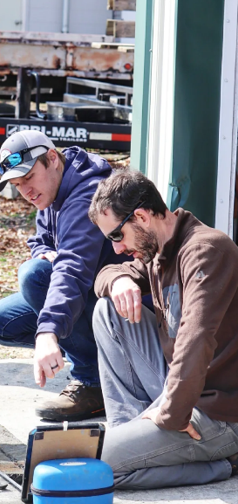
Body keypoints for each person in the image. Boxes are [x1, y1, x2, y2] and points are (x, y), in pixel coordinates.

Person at [88, 168, 238, 489]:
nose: (117, 248)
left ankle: (221, 464)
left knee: (99, 465)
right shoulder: (156, 251)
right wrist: (119, 280)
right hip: (181, 391)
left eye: (117, 236)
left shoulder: (205, 250)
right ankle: (128, 432)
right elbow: (103, 276)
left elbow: (195, 339)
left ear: (141, 217)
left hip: (220, 413)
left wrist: (171, 415)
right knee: (107, 311)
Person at [0, 130, 127, 421]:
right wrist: (42, 253)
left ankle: (93, 382)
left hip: (121, 306)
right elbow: (41, 241)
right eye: (17, 184)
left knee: (35, 277)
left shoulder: (87, 193)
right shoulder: (53, 191)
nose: (26, 191)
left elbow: (71, 270)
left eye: (29, 178)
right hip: (85, 296)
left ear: (52, 158)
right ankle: (90, 357)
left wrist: (48, 332)